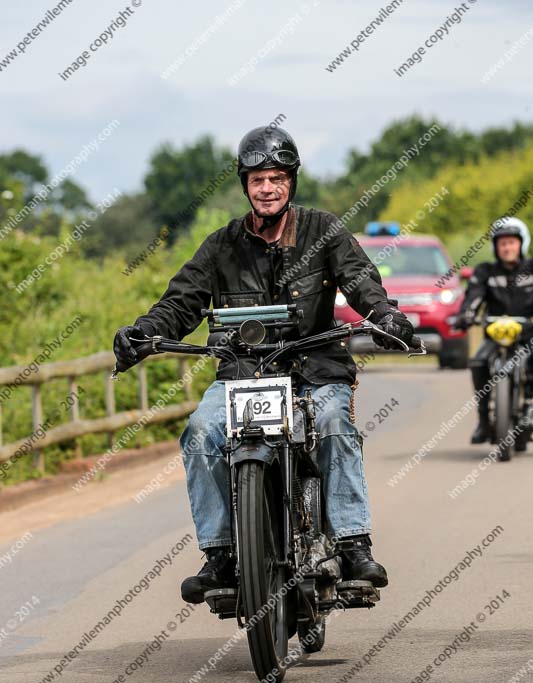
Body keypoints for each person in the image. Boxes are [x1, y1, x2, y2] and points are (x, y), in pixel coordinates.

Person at [113, 125, 414, 604]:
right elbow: (183, 301)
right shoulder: (221, 245)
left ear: (291, 182)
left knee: (335, 424)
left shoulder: (324, 231)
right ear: (245, 186)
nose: (267, 188)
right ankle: (222, 555)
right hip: (244, 375)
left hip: (315, 370)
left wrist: (384, 314)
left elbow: (359, 281)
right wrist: (145, 331)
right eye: (257, 180)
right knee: (199, 433)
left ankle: (354, 544)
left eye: (276, 178)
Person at [456, 216, 533, 443]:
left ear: (521, 243)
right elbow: (473, 297)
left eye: (511, 242)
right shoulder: (485, 271)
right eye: (502, 243)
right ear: (495, 246)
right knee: (478, 362)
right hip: (494, 333)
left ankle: (529, 405)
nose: (507, 247)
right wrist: (466, 315)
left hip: (528, 332)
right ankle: (483, 420)